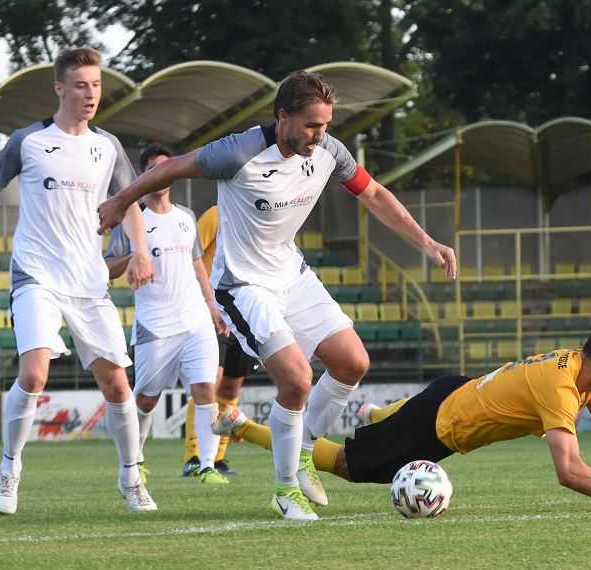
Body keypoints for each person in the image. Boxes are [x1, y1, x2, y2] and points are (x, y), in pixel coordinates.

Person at [97, 71, 457, 521]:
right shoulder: (239, 151)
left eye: (325, 124)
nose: (320, 135)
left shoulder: (328, 150)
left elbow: (376, 195)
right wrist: (119, 202)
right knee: (298, 380)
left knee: (353, 362)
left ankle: (302, 452)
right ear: (283, 116)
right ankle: (286, 490)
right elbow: (171, 167)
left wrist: (428, 242)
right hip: (244, 286)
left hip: (293, 274)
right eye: (311, 125)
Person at [211, 320, 591, 508]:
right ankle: (240, 424)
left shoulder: (580, 374)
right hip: (439, 425)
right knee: (345, 467)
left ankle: (384, 415)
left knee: (392, 427)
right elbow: (569, 471)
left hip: (452, 392)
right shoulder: (561, 385)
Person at [0, 47, 157, 514]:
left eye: (95, 85)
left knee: (117, 387)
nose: (90, 93)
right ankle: (9, 472)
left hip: (89, 281)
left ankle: (130, 478)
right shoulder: (27, 141)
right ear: (59, 88)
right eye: (80, 85)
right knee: (34, 374)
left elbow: (129, 200)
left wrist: (140, 249)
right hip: (36, 275)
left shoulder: (107, 146)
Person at [104, 143, 229, 485]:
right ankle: (135, 459)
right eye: (154, 169)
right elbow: (107, 268)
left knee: (206, 388)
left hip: (195, 320)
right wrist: (134, 258)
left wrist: (212, 307)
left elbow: (197, 266)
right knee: (146, 398)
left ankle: (207, 465)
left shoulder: (186, 217)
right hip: (154, 324)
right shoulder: (132, 220)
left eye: (167, 167)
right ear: (143, 175)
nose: (161, 174)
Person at [180, 204, 258, 478]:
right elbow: (190, 256)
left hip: (246, 310)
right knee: (210, 381)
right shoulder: (215, 214)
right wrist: (208, 303)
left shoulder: (257, 213)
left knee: (232, 383)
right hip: (215, 310)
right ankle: (195, 456)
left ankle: (219, 458)